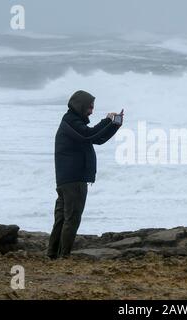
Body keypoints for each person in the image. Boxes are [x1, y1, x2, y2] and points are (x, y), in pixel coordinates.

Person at [47, 90, 123, 259]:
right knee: (71, 219)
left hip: (67, 178)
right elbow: (89, 134)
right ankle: (63, 256)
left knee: (62, 218)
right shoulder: (70, 122)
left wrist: (114, 125)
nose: (91, 111)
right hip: (74, 179)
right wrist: (107, 120)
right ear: (80, 106)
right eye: (89, 107)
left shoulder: (72, 123)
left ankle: (52, 254)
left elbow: (97, 139)